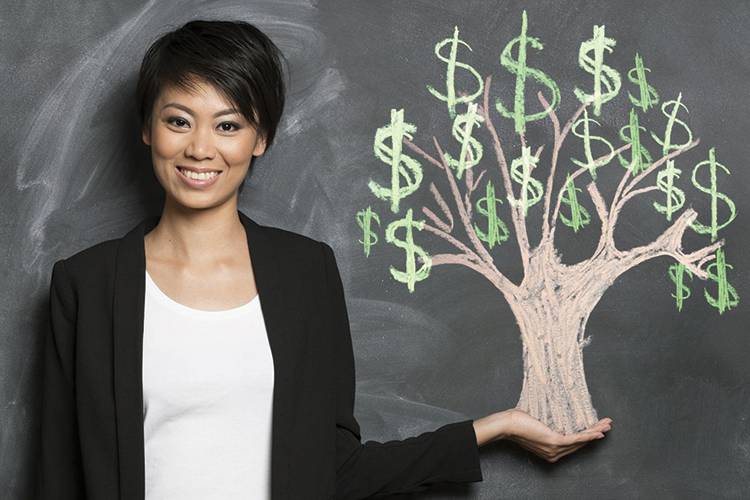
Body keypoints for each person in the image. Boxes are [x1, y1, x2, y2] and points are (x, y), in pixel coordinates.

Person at [38, 19, 612, 500]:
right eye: (178, 120)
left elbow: (333, 467)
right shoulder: (86, 286)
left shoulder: (305, 274)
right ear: (147, 129)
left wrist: (493, 430)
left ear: (260, 138)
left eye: (229, 124)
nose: (200, 148)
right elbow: (58, 481)